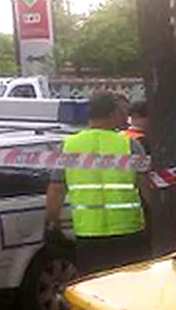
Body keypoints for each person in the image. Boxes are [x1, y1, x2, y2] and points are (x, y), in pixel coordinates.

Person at [44, 92, 151, 276]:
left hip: (89, 233)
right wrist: (154, 214)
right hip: (128, 231)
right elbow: (146, 185)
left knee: (95, 288)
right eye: (121, 112)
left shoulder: (69, 145)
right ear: (111, 114)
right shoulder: (129, 145)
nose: (124, 116)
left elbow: (56, 188)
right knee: (130, 288)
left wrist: (51, 222)